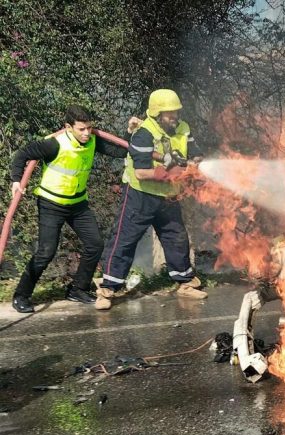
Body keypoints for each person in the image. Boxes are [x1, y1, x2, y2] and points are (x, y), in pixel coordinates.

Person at [9, 105, 134, 313]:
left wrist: (128, 131)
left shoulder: (93, 139)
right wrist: (15, 180)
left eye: (89, 128)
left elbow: (120, 150)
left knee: (95, 245)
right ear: (68, 127)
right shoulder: (54, 145)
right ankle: (21, 295)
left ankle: (78, 289)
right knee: (46, 251)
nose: (86, 133)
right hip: (51, 204)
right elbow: (22, 154)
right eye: (81, 129)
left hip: (78, 204)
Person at [96, 89, 207, 310]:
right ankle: (107, 288)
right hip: (140, 195)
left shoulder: (183, 128)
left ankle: (184, 283)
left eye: (176, 112)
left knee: (176, 238)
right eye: (169, 113)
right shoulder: (144, 133)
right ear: (157, 114)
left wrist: (193, 163)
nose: (174, 117)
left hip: (168, 195)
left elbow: (195, 152)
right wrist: (168, 174)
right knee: (125, 239)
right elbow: (141, 172)